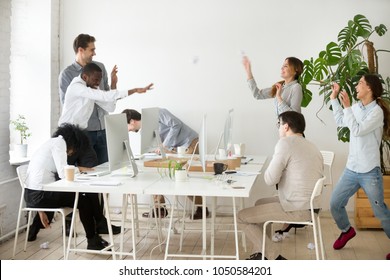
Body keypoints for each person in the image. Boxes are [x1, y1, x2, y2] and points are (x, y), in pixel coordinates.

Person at [237, 111, 323, 260]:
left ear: (286, 127)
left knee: (241, 217)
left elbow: (270, 179)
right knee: (259, 203)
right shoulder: (311, 145)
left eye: (279, 124)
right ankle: (262, 254)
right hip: (310, 205)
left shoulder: (285, 144)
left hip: (297, 208)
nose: (278, 128)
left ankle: (274, 258)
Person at [243, 55, 306, 234]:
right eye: (283, 65)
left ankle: (290, 219)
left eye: (287, 66)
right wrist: (248, 71)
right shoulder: (280, 86)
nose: (283, 68)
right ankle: (288, 218)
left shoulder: (296, 88)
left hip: (293, 137)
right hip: (283, 135)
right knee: (283, 178)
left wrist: (279, 98)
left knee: (289, 178)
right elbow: (256, 94)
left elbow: (295, 116)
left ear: (296, 70)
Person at [329, 74, 390, 260]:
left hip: (370, 172)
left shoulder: (376, 112)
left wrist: (348, 107)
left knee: (381, 212)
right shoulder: (357, 107)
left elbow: (356, 129)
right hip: (351, 169)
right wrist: (334, 99)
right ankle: (346, 230)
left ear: (370, 88)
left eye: (361, 83)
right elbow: (341, 121)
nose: (357, 85)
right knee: (334, 203)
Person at [24, 123, 110, 250]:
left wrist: (40, 211)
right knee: (84, 200)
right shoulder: (60, 144)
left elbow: (40, 179)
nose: (72, 153)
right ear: (75, 143)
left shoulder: (52, 142)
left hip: (32, 194)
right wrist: (81, 170)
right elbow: (64, 173)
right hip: (41, 195)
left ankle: (94, 239)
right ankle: (92, 241)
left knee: (81, 199)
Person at [123, 108, 208, 220]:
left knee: (181, 177)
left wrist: (164, 145)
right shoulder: (144, 132)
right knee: (154, 173)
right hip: (175, 149)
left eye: (127, 126)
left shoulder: (158, 113)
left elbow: (176, 124)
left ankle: (202, 208)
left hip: (189, 143)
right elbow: (156, 146)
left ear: (132, 121)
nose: (128, 130)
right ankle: (160, 209)